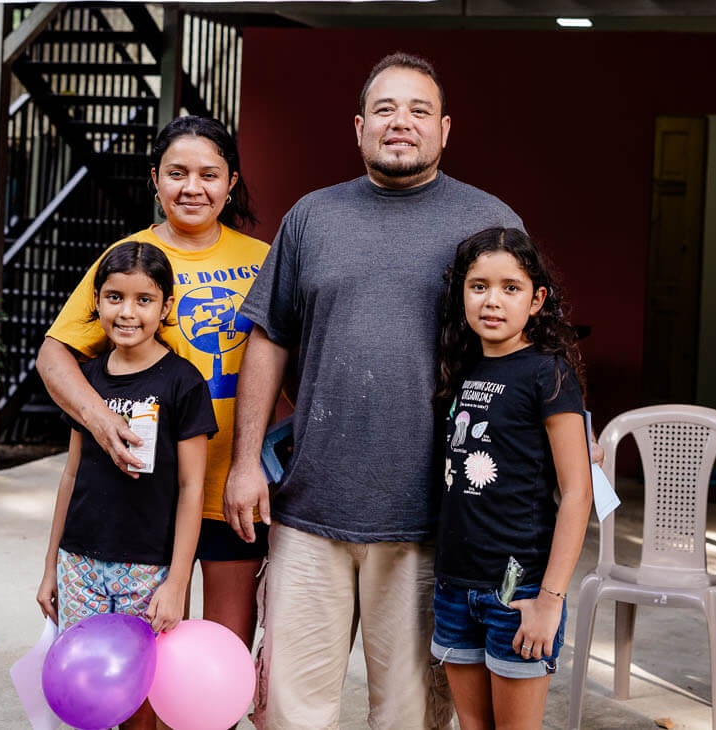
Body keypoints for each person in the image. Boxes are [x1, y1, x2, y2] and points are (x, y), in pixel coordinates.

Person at [223, 53, 522, 730]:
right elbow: (267, 336)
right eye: (385, 109)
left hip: (431, 518)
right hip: (308, 508)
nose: (400, 123)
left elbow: (524, 353)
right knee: (290, 713)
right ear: (359, 127)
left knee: (410, 715)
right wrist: (246, 464)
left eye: (418, 111)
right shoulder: (311, 218)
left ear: (444, 130)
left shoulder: (487, 224)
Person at [38, 115, 272, 650]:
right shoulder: (128, 259)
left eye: (209, 174)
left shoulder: (263, 260)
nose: (193, 188)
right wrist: (100, 420)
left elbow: (289, 366)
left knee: (218, 658)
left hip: (227, 489)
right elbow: (54, 355)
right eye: (177, 173)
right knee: (143, 662)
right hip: (139, 496)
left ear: (231, 181)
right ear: (155, 178)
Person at [36, 241, 217, 730]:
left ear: (166, 307)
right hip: (81, 565)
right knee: (87, 690)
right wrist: (51, 566)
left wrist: (178, 582)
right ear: (95, 302)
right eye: (114, 297)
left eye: (144, 299)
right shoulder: (86, 379)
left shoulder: (184, 383)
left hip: (147, 570)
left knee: (139, 698)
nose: (128, 312)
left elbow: (192, 489)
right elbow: (71, 474)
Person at [432, 227, 593, 730]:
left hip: (519, 594)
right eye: (478, 286)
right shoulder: (462, 369)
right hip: (455, 587)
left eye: (511, 287)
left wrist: (549, 601)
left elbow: (578, 493)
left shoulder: (549, 373)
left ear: (537, 299)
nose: (492, 301)